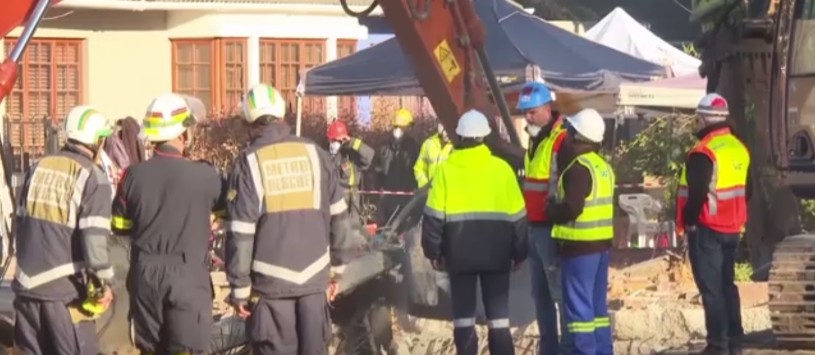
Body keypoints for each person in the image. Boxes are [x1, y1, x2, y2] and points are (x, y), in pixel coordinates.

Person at [224, 84, 362, 355]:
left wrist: (239, 287)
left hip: (271, 290)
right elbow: (340, 216)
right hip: (314, 284)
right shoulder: (316, 154)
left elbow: (241, 232)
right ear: (282, 115)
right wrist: (339, 270)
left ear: (250, 125)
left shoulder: (249, 162)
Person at [111, 93, 225, 354]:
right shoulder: (206, 175)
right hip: (187, 277)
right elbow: (227, 210)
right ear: (183, 135)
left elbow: (119, 225)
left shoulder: (132, 176)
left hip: (144, 277)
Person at [422, 109, 528, 355]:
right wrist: (520, 253)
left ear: (459, 137)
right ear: (485, 137)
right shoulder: (502, 170)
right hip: (498, 255)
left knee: (463, 318)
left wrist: (433, 252)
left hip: (459, 257)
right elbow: (519, 218)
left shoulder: (446, 170)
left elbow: (433, 218)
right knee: (499, 318)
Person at [13, 105, 116, 355]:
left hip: (26, 291)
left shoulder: (37, 167)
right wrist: (103, 284)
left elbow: (20, 222)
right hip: (64, 295)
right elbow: (94, 240)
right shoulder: (92, 176)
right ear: (97, 141)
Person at [676, 93, 750, 355]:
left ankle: (717, 345)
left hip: (708, 228)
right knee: (727, 285)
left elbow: (695, 194)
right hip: (733, 228)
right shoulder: (739, 148)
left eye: (698, 118)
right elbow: (746, 190)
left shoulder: (703, 152)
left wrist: (689, 223)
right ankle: (735, 340)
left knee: (711, 289)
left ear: (704, 118)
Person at [548, 108, 614, 355]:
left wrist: (551, 211)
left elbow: (573, 207)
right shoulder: (603, 167)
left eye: (570, 132)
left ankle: (584, 352)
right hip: (600, 247)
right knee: (597, 309)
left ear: (577, 137)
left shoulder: (578, 168)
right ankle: (603, 351)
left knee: (579, 309)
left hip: (579, 248)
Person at [517, 81, 571, 354]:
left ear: (547, 108)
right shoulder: (536, 140)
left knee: (557, 293)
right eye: (524, 112)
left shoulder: (560, 138)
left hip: (550, 227)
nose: (528, 116)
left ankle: (565, 347)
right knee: (540, 295)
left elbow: (565, 184)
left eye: (532, 111)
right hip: (534, 226)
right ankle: (548, 348)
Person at [374, 108, 420, 224]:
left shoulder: (413, 148)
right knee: (387, 227)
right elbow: (378, 169)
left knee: (405, 227)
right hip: (388, 197)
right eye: (396, 127)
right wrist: (379, 188)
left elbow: (418, 169)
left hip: (408, 196)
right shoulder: (385, 147)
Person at [326, 119, 375, 224]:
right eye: (332, 140)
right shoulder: (326, 157)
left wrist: (352, 142)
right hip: (334, 197)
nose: (333, 144)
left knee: (353, 230)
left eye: (337, 141)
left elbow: (369, 155)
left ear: (343, 140)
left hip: (353, 198)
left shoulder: (352, 155)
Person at [414, 122, 453, 188]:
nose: (446, 134)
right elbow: (418, 169)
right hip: (431, 193)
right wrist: (426, 186)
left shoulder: (458, 146)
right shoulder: (429, 144)